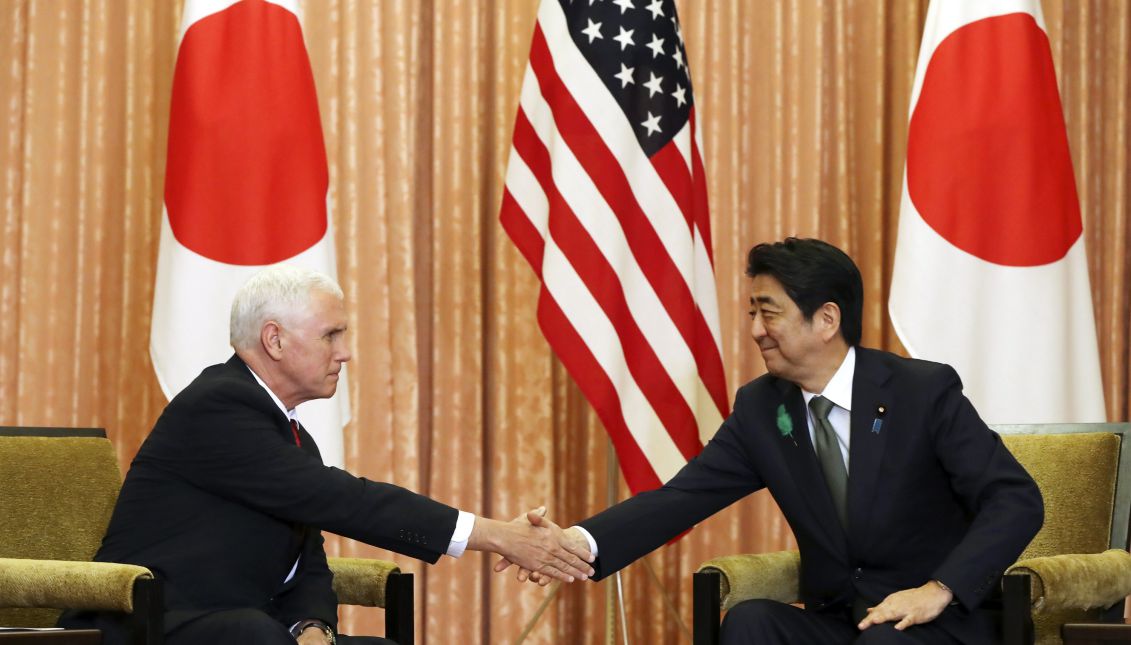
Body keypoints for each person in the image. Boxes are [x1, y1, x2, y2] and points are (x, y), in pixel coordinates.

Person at [501, 238, 1044, 644]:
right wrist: (577, 543)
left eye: (770, 311)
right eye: (752, 312)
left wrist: (939, 589)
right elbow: (680, 499)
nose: (757, 328)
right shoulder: (763, 409)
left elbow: (1015, 499)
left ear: (826, 319)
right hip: (842, 623)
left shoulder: (921, 391)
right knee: (751, 623)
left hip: (933, 622)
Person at [60, 266, 592, 645]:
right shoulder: (218, 406)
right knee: (253, 633)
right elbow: (346, 501)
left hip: (245, 626)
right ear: (275, 340)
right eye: (331, 335)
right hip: (152, 623)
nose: (346, 352)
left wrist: (311, 628)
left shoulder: (289, 435)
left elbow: (307, 563)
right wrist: (497, 534)